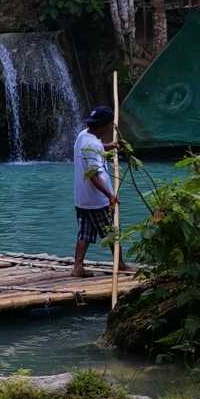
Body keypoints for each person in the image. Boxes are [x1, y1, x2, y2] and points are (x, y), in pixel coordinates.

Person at [73, 104, 118, 279]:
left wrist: (109, 146)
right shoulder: (93, 144)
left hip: (82, 199)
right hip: (97, 200)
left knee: (85, 232)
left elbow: (93, 149)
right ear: (104, 125)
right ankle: (120, 263)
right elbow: (92, 175)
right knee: (113, 230)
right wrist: (110, 195)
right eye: (110, 124)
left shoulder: (84, 136)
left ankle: (78, 267)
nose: (110, 127)